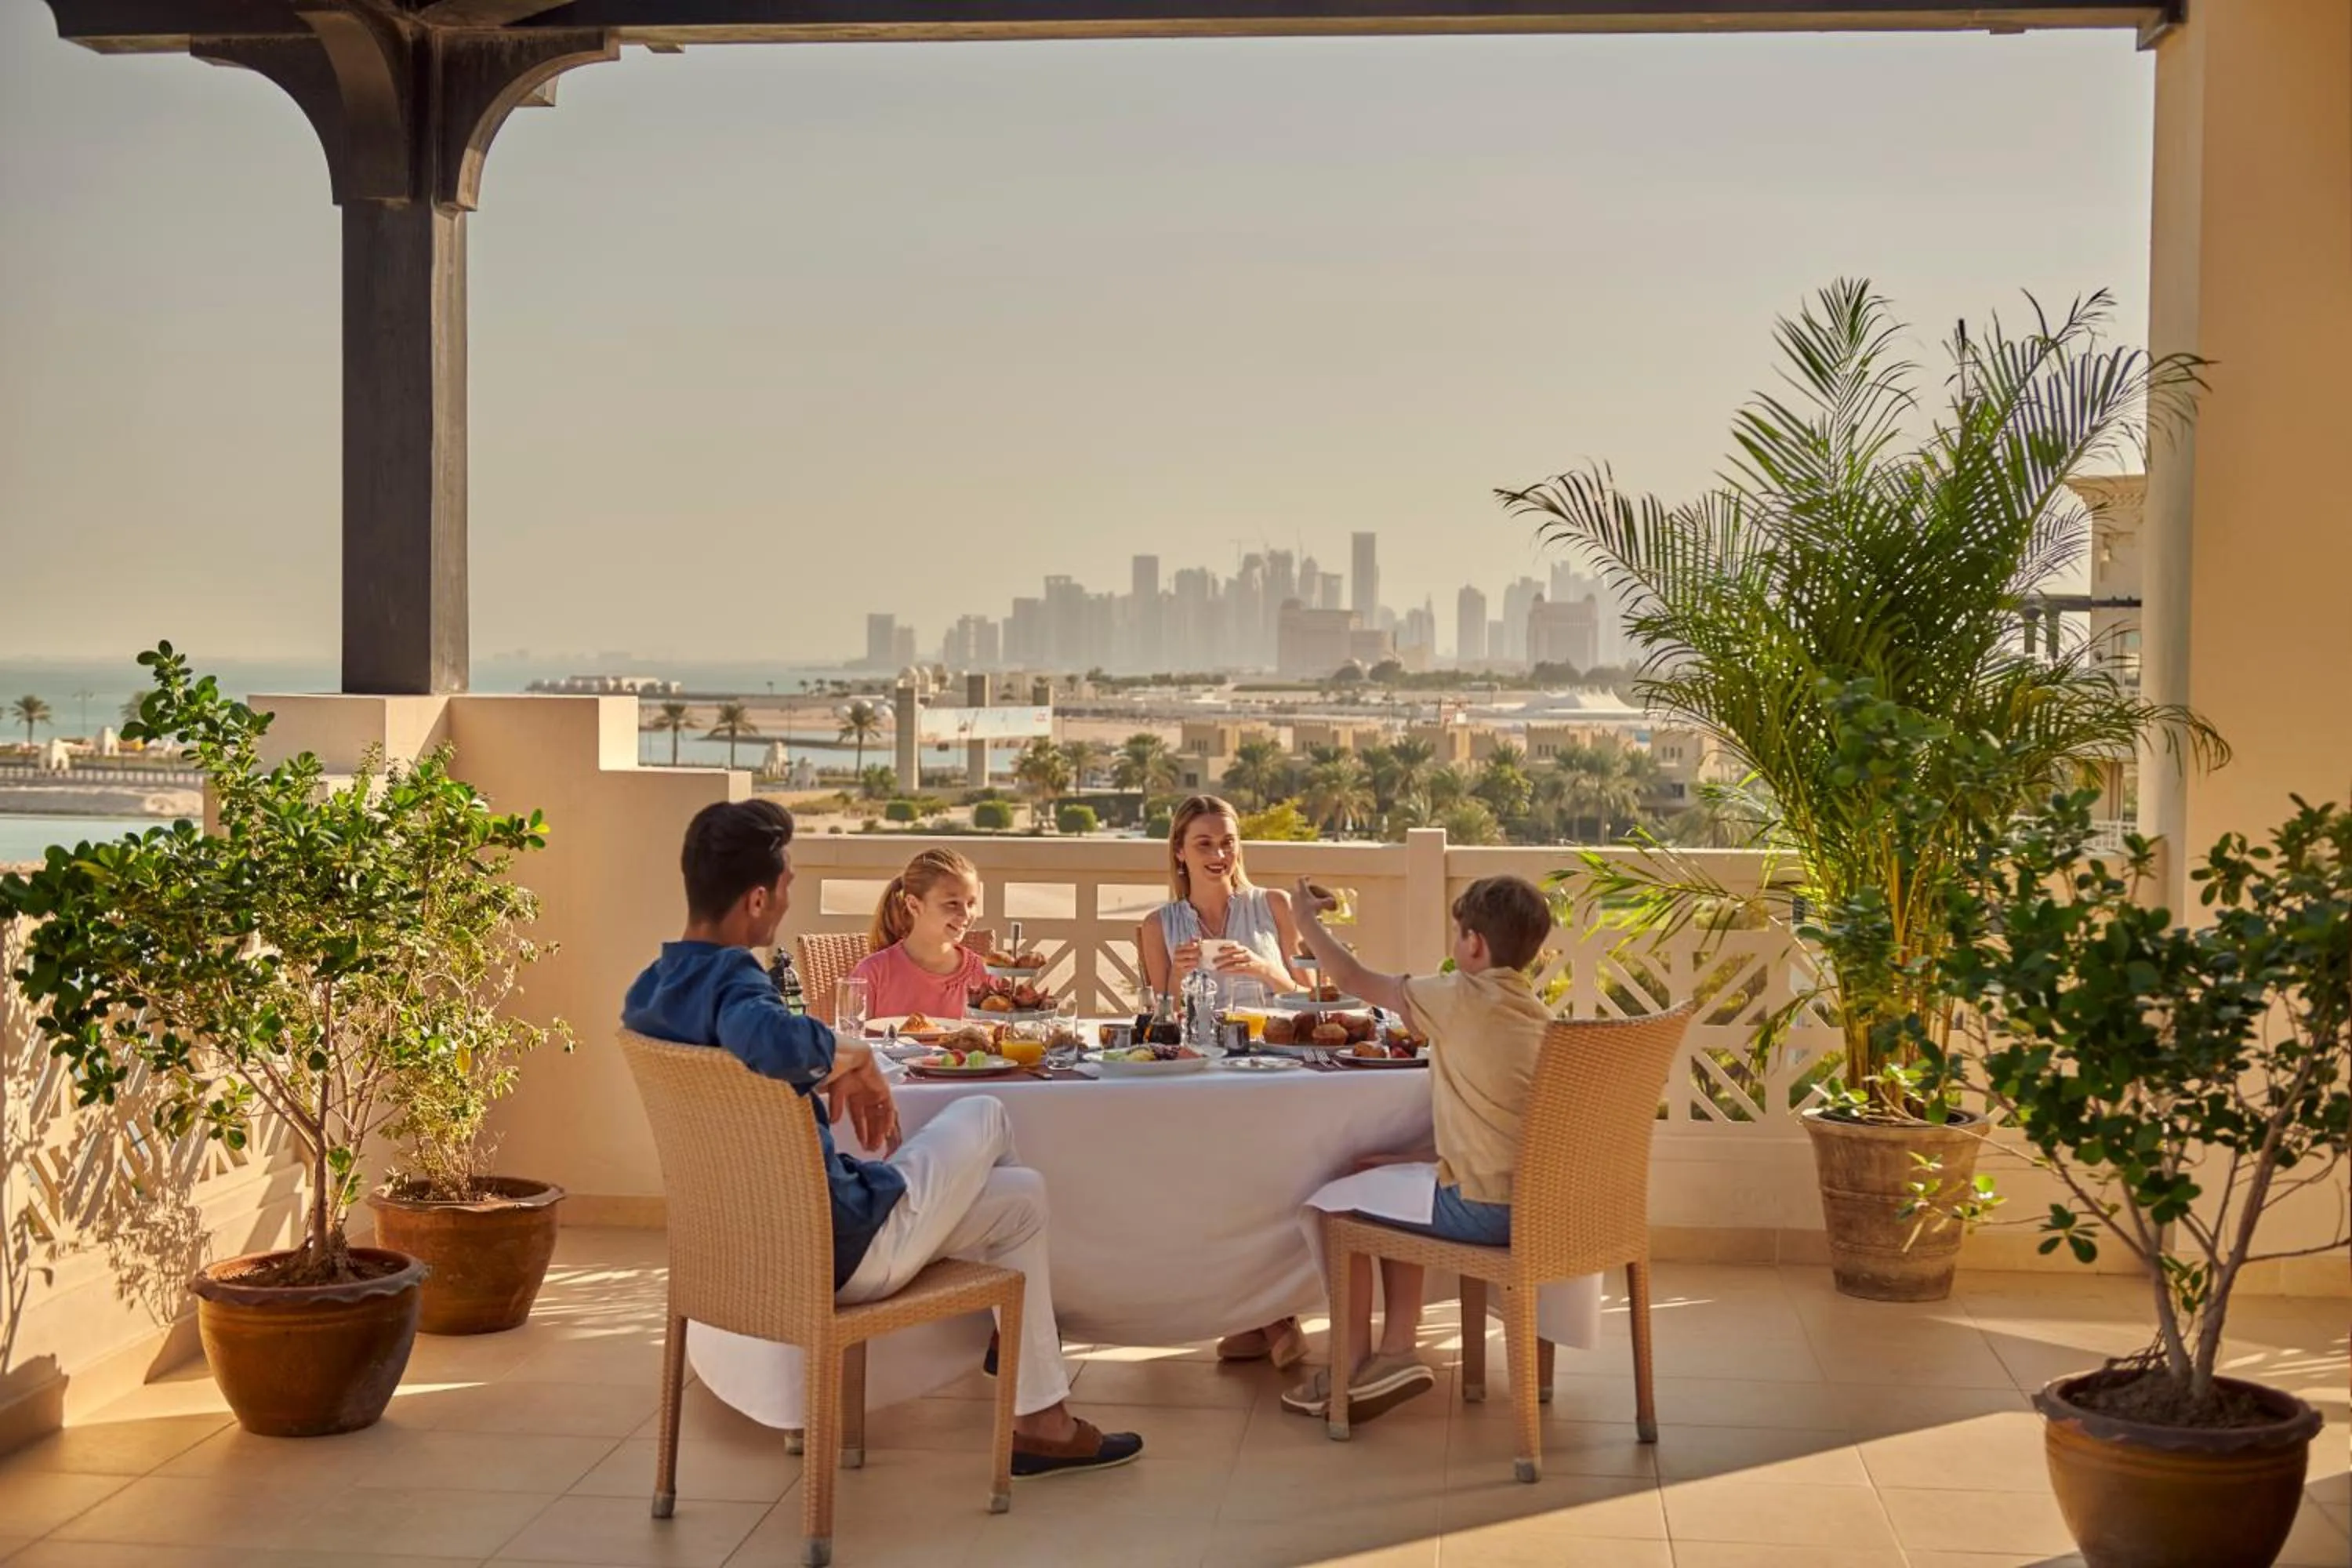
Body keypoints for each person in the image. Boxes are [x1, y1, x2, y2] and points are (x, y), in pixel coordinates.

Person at [622, 799, 1142, 1475]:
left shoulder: (650, 990)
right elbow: (772, 1039)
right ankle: (1021, 1376)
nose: (784, 902)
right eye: (784, 889)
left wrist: (837, 1061)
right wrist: (854, 1055)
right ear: (756, 898)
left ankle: (1041, 1417)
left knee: (1021, 1198)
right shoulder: (735, 981)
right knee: (985, 1112)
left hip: (748, 1248)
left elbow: (762, 1047)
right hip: (840, 1248)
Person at [1279, 873, 1555, 1423]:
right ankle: (1396, 1352)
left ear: (1473, 943)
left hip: (1483, 1211)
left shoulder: (1457, 996)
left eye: (1458, 937)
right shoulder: (1538, 1013)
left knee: (1337, 1202)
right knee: (1391, 1180)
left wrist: (1306, 921)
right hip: (1542, 1208)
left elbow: (1354, 977)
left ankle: (1350, 1366)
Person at [1139, 793, 1312, 1369]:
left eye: (1228, 841)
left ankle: (1266, 1317)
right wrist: (1176, 981)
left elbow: (1311, 998)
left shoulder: (1274, 905)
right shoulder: (1157, 925)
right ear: (1180, 853)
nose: (1219, 853)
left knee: (1266, 1176)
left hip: (1274, 1070)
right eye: (1204, 843)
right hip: (1201, 1075)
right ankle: (1263, 1317)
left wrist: (1264, 969)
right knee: (1211, 1179)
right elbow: (1155, 1019)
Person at [849, 848, 990, 1020]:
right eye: (952, 903)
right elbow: (851, 1039)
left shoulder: (984, 976)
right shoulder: (872, 973)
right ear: (914, 905)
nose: (966, 914)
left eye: (971, 903)